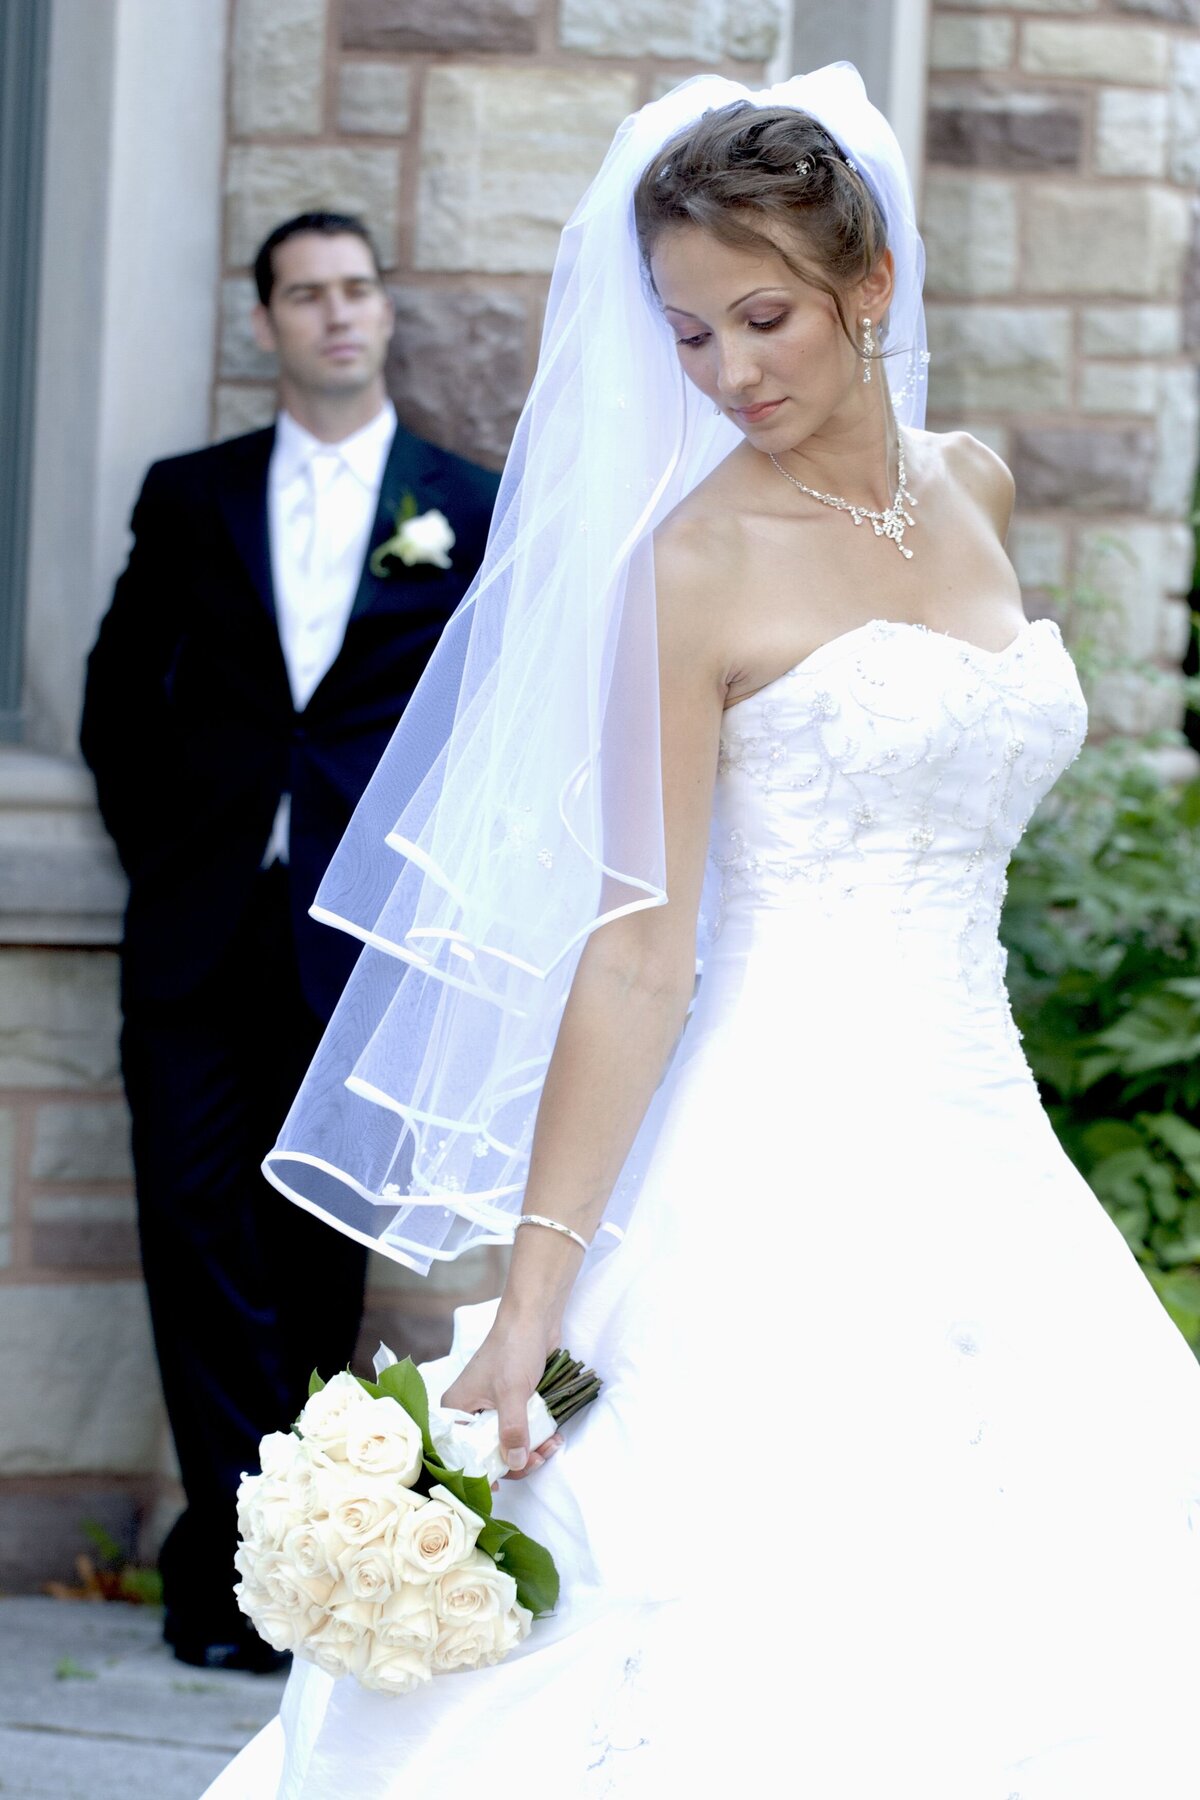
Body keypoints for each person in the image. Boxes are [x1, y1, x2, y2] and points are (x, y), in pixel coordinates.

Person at [205, 68, 1200, 1794]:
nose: (730, 374)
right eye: (686, 335)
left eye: (763, 317)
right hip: (769, 1150)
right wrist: (530, 1303)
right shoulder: (687, 566)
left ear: (866, 286)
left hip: (983, 1131)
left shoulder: (982, 485)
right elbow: (640, 948)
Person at [79, 212, 500, 1672]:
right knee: (193, 1239)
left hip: (362, 937)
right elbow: (118, 700)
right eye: (306, 295)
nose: (336, 316)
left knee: (322, 1264)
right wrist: (177, 853)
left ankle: (315, 1570)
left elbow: (490, 727)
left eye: (357, 292)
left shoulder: (467, 503)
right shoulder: (188, 499)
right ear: (267, 321)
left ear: (386, 316)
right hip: (202, 930)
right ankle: (233, 1567)